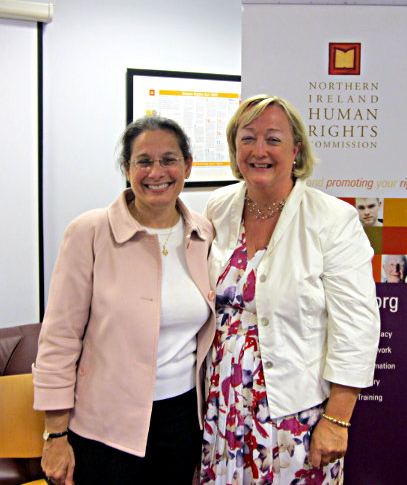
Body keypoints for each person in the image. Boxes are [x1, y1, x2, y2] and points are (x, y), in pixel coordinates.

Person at [200, 95, 380, 484]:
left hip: (294, 409)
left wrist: (337, 420)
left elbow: (358, 327)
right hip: (223, 402)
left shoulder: (333, 218)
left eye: (273, 139)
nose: (259, 150)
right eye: (247, 138)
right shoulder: (218, 207)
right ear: (235, 147)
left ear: (296, 149)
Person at [33, 115, 215, 485]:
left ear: (188, 166)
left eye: (169, 160)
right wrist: (55, 433)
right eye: (143, 161)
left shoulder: (202, 232)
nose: (156, 172)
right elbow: (59, 336)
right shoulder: (90, 231)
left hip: (181, 420)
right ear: (126, 169)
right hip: (104, 425)